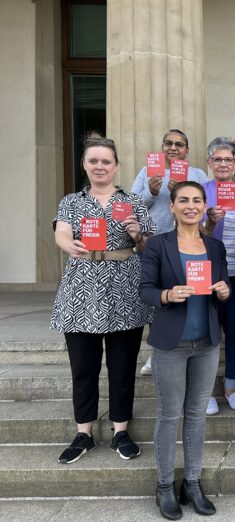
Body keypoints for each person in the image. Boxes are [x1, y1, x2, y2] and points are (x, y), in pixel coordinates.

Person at [51, 138, 155, 464]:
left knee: (122, 366)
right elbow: (62, 232)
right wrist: (69, 246)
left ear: (116, 166)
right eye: (93, 161)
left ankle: (120, 430)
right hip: (81, 289)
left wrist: (138, 233)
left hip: (124, 289)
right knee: (83, 367)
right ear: (85, 164)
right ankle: (84, 432)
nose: (100, 167)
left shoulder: (133, 201)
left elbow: (148, 246)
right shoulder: (71, 201)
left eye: (106, 161)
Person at [140, 181, 230, 519]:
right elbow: (145, 289)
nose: (190, 205)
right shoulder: (158, 246)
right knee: (169, 415)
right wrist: (167, 295)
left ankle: (192, 483)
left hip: (206, 342)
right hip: (171, 344)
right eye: (183, 200)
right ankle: (164, 485)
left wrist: (223, 291)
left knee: (196, 416)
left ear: (204, 205)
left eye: (196, 200)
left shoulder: (215, 246)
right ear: (173, 206)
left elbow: (223, 291)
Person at [132, 129, 209, 378]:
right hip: (153, 245)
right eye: (168, 143)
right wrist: (152, 192)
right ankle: (158, 353)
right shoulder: (147, 172)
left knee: (187, 297)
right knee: (159, 301)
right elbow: (133, 207)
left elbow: (203, 207)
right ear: (162, 147)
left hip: (188, 245)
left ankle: (189, 350)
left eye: (179, 144)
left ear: (187, 150)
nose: (173, 148)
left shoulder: (196, 174)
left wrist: (184, 192)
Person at [201, 137, 235, 414]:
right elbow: (186, 232)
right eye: (217, 159)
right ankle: (206, 389)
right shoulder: (199, 192)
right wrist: (209, 222)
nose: (223, 164)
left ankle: (232, 385)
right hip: (207, 276)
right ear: (209, 163)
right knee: (208, 334)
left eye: (228, 159)